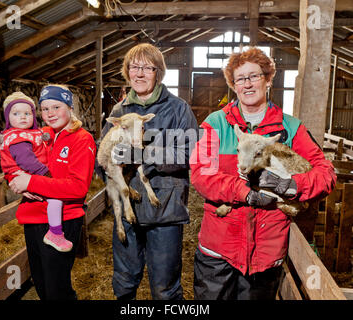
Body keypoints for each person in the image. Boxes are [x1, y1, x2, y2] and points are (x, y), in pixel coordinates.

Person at [189, 47, 336, 300]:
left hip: (266, 255)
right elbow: (201, 174)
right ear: (233, 85)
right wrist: (243, 193)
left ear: (268, 79)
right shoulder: (215, 123)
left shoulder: (290, 128)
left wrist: (290, 185)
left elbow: (326, 174)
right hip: (218, 250)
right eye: (240, 79)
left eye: (254, 76)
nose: (247, 84)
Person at [95, 43, 199, 300]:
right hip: (127, 210)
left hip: (165, 210)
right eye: (134, 67)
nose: (139, 74)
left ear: (158, 72)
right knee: (123, 283)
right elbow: (102, 157)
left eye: (147, 68)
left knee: (164, 289)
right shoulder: (119, 111)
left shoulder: (178, 109)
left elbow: (191, 154)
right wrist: (108, 166)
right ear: (127, 71)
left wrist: (146, 155)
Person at [8, 84, 96, 300]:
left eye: (56, 107)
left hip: (63, 221)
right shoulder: (39, 135)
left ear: (69, 107)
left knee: (57, 289)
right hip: (33, 218)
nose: (50, 113)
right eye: (45, 109)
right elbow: (14, 156)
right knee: (40, 283)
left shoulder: (82, 139)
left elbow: (78, 187)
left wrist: (31, 182)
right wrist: (13, 180)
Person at [0, 91, 73, 252]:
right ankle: (55, 233)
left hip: (30, 177)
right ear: (7, 118)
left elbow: (40, 142)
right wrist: (46, 175)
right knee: (55, 200)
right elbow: (27, 161)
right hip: (33, 175)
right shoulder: (18, 138)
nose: (23, 117)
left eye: (27, 113)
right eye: (16, 113)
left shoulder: (29, 133)